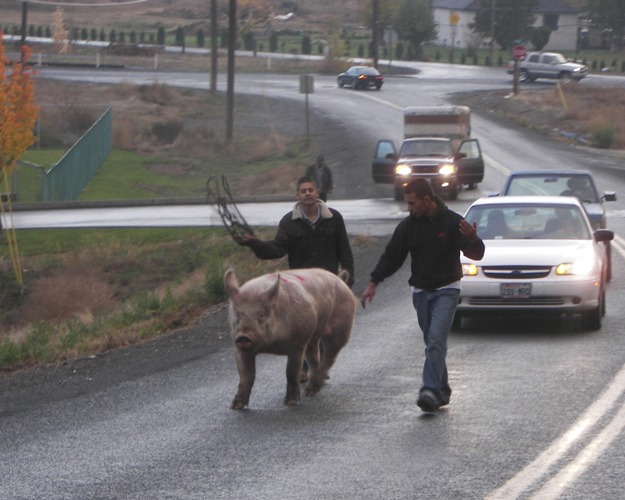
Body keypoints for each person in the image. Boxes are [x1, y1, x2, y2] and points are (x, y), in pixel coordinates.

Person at [360, 177, 485, 413]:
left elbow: (476, 255)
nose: (409, 208)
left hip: (447, 291)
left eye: (412, 203)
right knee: (432, 344)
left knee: (436, 340)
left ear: (427, 200)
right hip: (420, 293)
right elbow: (392, 256)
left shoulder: (452, 223)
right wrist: (373, 281)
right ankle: (442, 390)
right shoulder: (408, 226)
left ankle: (428, 389)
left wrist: (474, 240)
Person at [240, 175, 355, 377]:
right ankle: (304, 368)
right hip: (301, 288)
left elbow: (344, 249)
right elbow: (277, 249)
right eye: (303, 191)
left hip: (327, 285)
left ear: (317, 193)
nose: (308, 194)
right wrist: (255, 243)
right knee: (303, 328)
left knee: (321, 327)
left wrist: (348, 276)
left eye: (311, 190)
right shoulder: (289, 222)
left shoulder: (333, 218)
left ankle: (316, 366)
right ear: (298, 195)